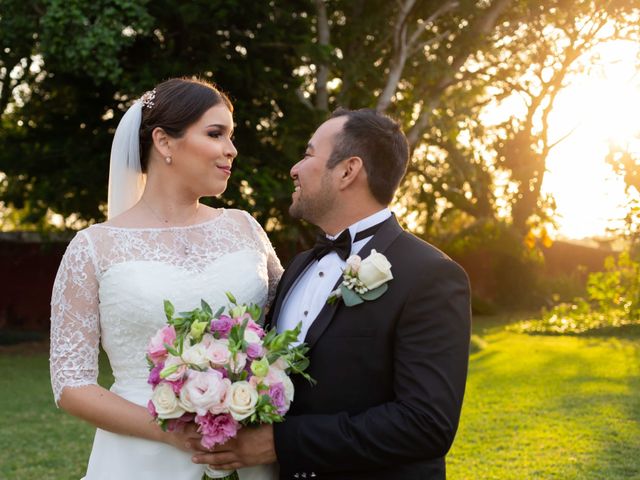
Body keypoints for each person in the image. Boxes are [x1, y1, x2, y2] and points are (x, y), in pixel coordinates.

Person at [192, 108, 472, 479]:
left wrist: (283, 442)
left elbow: (425, 424)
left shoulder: (430, 275)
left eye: (308, 154)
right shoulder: (297, 267)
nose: (295, 168)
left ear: (347, 170)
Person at [49, 77, 282, 480]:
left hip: (247, 452)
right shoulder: (93, 248)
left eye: (232, 136)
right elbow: (71, 384)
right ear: (164, 142)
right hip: (138, 459)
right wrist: (169, 432)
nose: (232, 149)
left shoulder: (245, 228)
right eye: (216, 134)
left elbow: (292, 325)